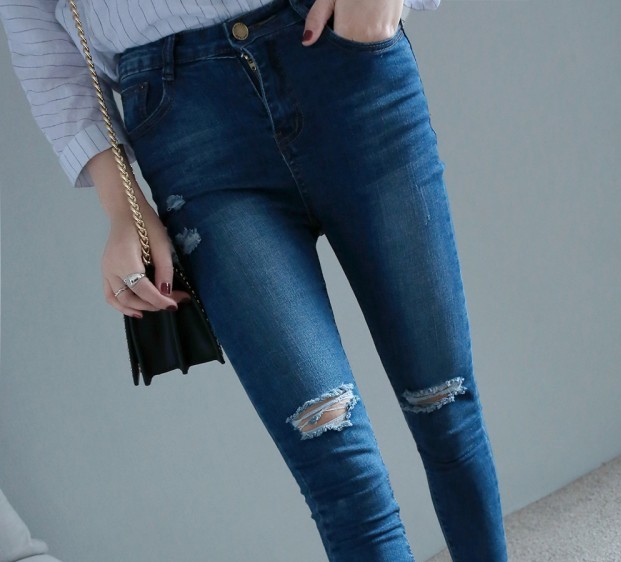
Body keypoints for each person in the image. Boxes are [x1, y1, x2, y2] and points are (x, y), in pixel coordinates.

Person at [0, 0, 510, 559]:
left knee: (445, 408)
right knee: (341, 472)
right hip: (188, 127)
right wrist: (122, 207)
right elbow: (31, 21)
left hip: (342, 59)